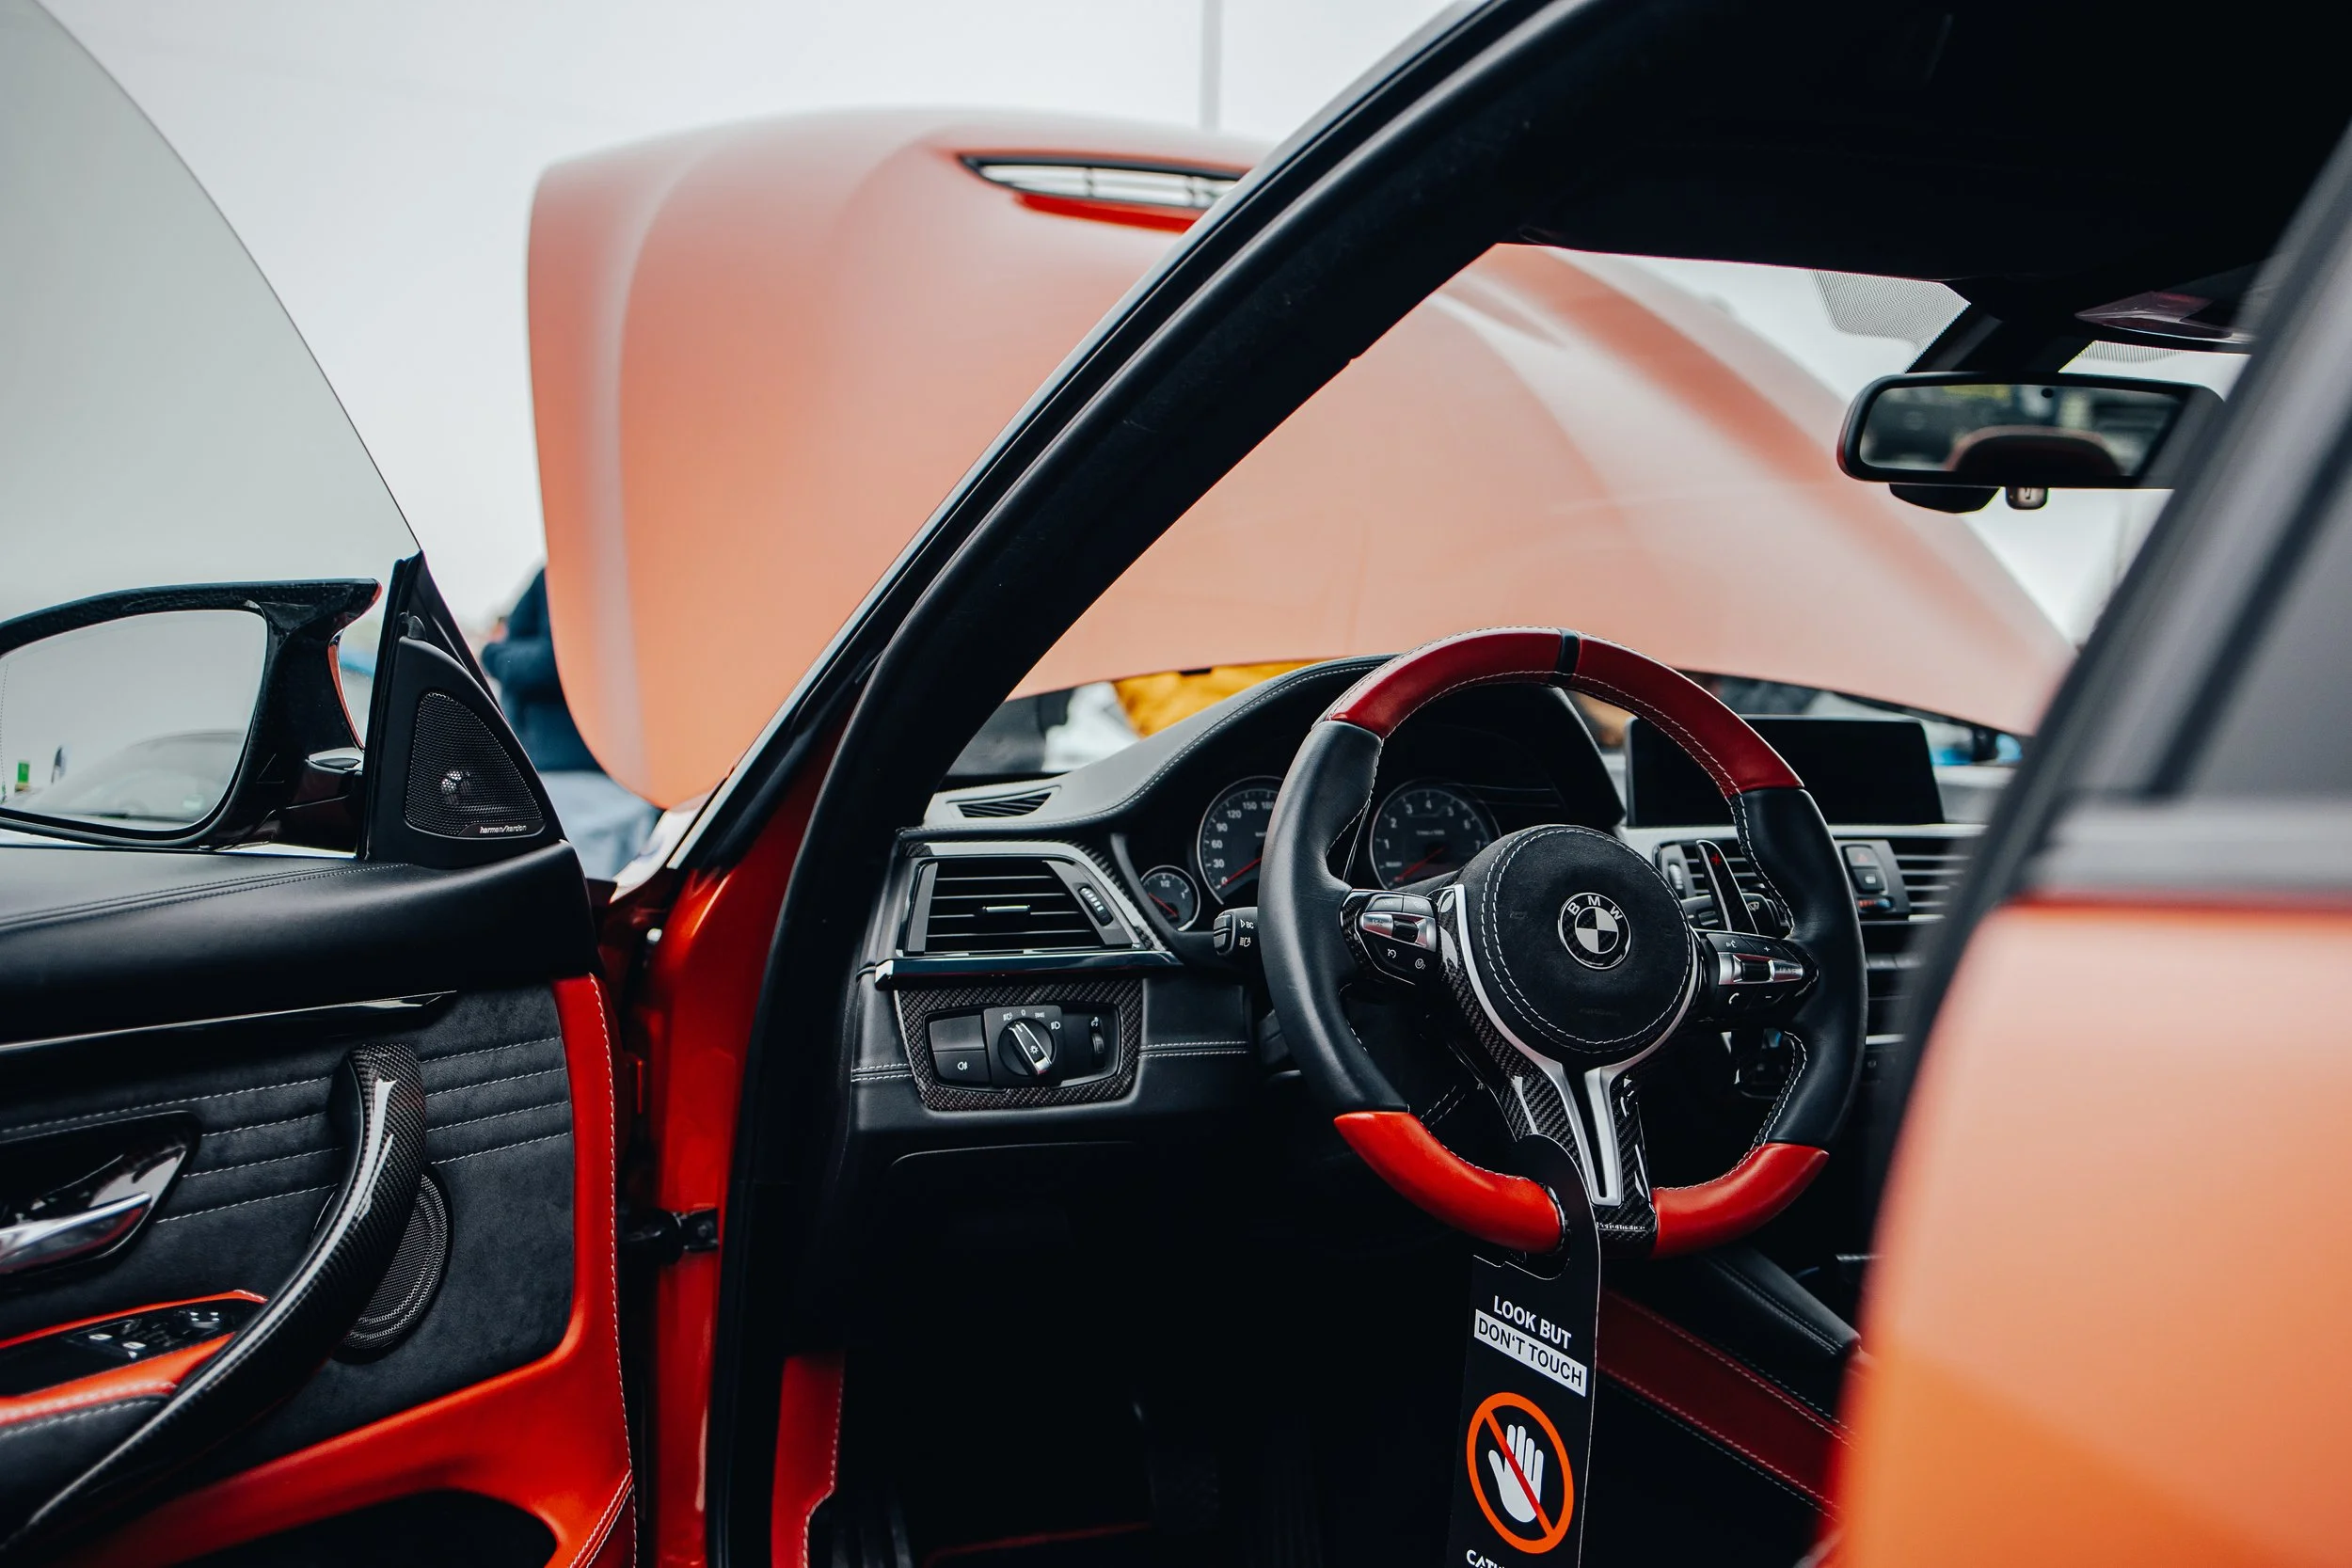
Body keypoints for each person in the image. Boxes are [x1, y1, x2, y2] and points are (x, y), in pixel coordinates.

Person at [481, 567, 656, 879]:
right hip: (623, 773)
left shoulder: (570, 570)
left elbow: (557, 658)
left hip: (576, 777)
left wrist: (492, 652)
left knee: (579, 890)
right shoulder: (627, 569)